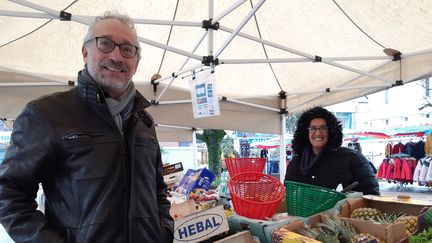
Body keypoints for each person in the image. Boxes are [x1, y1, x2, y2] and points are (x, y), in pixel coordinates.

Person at [0, 11, 174, 242]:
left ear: (136, 63)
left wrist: (164, 231)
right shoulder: (46, 114)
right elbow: (9, 194)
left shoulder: (143, 121)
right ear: (85, 52)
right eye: (105, 44)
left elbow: (158, 188)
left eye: (127, 49)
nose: (117, 56)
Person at [284, 106, 380, 195]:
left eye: (323, 128)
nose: (318, 133)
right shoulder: (295, 164)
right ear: (306, 132)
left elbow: (371, 194)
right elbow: (288, 195)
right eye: (313, 128)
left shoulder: (352, 158)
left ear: (331, 131)